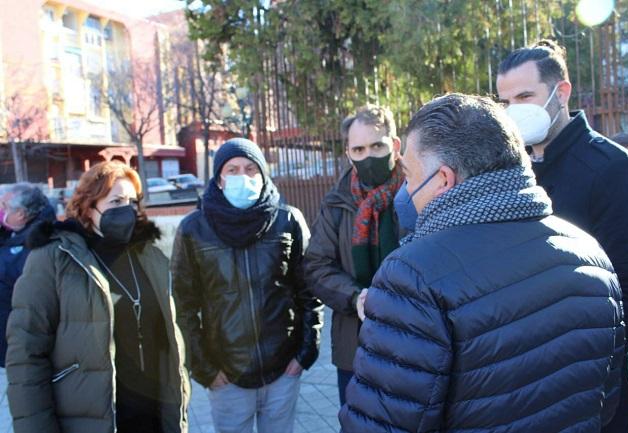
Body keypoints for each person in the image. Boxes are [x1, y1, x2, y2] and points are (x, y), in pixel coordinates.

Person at [339, 93, 625, 432]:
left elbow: (383, 423)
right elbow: (604, 402)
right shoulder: (591, 254)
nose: (406, 188)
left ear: (443, 180)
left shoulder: (412, 275)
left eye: (409, 174)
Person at [497, 39, 628, 433]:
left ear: (560, 92)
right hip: (523, 386)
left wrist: (575, 359)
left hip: (592, 388)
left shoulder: (616, 171)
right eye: (505, 101)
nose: (515, 110)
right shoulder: (513, 172)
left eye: (525, 95)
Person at [5, 161, 190, 433]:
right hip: (90, 419)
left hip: (153, 417)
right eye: (115, 201)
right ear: (88, 207)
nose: (126, 210)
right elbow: (26, 354)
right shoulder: (54, 259)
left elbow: (170, 340)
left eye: (131, 201)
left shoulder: (148, 256)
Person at [171, 138, 322, 433]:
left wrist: (304, 354)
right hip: (227, 377)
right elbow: (182, 307)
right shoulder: (193, 229)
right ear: (219, 179)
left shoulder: (287, 220)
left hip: (283, 370)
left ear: (263, 173)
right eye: (233, 169)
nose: (243, 176)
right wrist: (204, 369)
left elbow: (310, 292)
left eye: (251, 168)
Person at [304, 104, 404, 406]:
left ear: (395, 146)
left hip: (411, 342)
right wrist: (354, 296)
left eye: (377, 146)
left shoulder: (417, 195)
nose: (368, 157)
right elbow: (316, 266)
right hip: (354, 345)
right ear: (348, 154)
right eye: (358, 150)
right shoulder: (336, 203)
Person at [0, 183, 54, 369]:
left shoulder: (37, 242)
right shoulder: (9, 234)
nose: (1, 210)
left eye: (4, 207)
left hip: (15, 345)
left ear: (21, 214)